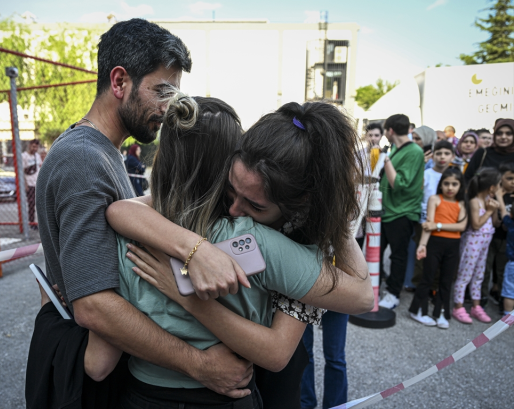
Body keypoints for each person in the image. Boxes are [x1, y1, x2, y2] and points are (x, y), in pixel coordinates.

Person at [29, 18, 255, 408]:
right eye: (162, 90)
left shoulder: (101, 151)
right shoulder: (83, 161)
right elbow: (96, 307)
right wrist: (199, 365)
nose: (170, 108)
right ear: (119, 82)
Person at [108, 100, 372, 409]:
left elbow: (361, 299)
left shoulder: (297, 236)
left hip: (262, 382)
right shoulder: (243, 224)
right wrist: (195, 249)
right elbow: (123, 209)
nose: (233, 210)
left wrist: (185, 294)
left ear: (299, 202)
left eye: (255, 206)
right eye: (229, 190)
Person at [378, 114, 424, 310]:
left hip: (402, 213)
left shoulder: (414, 151)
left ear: (390, 131)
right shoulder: (398, 147)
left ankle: (393, 294)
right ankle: (376, 287)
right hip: (387, 211)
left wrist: (385, 159)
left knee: (397, 256)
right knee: (376, 253)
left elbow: (398, 183)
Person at [411, 168, 467, 328]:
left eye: (454, 184)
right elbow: (428, 225)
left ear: (460, 186)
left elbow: (462, 226)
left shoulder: (461, 203)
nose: (450, 187)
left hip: (453, 245)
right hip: (434, 243)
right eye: (446, 183)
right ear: (441, 184)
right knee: (427, 277)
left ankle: (441, 312)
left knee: (446, 280)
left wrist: (438, 225)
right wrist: (422, 245)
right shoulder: (435, 199)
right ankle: (417, 310)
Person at [452, 167, 501, 324]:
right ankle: (458, 306)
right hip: (472, 243)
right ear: (492, 187)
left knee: (479, 274)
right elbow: (476, 224)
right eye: (499, 184)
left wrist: (494, 210)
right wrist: (488, 211)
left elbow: (494, 223)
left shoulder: (488, 201)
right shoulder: (474, 201)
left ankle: (476, 305)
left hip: (484, 244)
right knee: (464, 275)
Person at [410, 140, 455, 287]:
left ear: (452, 156)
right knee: (421, 253)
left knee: (439, 256)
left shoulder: (454, 176)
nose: (442, 156)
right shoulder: (426, 174)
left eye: (446, 153)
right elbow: (417, 195)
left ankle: (435, 287)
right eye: (439, 153)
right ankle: (419, 286)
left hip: (446, 222)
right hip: (424, 221)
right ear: (433, 156)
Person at [300, 310, 349, 409]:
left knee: (335, 358)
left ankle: (335, 406)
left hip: (338, 299)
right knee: (303, 355)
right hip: (305, 298)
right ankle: (304, 403)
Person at [485, 163, 514, 313]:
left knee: (503, 271)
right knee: (486, 267)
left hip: (508, 242)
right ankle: (483, 298)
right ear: (500, 179)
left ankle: (504, 301)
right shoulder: (493, 195)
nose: (513, 182)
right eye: (509, 178)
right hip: (491, 236)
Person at [497, 199, 514, 317]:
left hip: (512, 263)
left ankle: (507, 316)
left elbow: (503, 212)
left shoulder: (511, 223)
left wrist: (499, 196)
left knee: (510, 292)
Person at [22, 139, 42, 230]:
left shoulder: (37, 156)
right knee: (31, 204)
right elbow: (21, 171)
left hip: (38, 183)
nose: (35, 149)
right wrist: (25, 184)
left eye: (37, 147)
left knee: (41, 204)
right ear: (29, 145)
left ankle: (41, 222)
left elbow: (40, 168)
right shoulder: (24, 156)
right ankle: (31, 222)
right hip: (29, 183)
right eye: (34, 147)